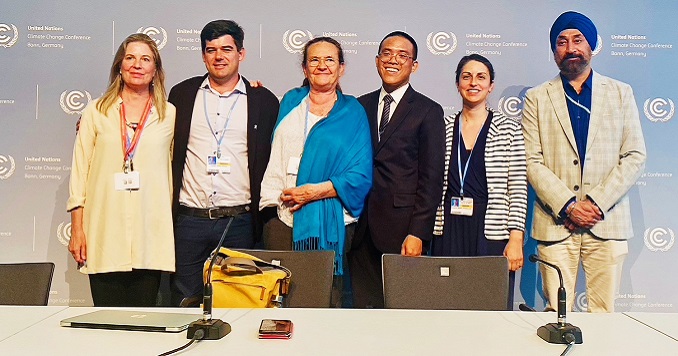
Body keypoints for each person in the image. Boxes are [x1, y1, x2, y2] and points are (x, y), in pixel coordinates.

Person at [522, 11, 646, 312]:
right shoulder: (537, 97)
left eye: (578, 40)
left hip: (606, 221)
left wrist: (594, 203)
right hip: (556, 223)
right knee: (557, 316)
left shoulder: (620, 93)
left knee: (604, 315)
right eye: (562, 42)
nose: (570, 48)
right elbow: (531, 161)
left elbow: (634, 156)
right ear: (555, 52)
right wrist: (568, 205)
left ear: (591, 46)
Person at [168, 20, 279, 306]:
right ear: (203, 55)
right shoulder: (181, 95)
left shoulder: (264, 100)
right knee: (184, 303)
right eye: (211, 50)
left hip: (239, 222)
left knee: (238, 304)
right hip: (188, 221)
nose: (219, 56)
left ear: (241, 54)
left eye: (227, 49)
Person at [259, 37, 372, 307]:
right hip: (282, 215)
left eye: (330, 60)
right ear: (304, 68)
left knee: (323, 297)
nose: (322, 66)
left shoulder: (352, 111)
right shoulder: (289, 102)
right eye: (314, 60)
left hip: (330, 221)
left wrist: (313, 193)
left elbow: (360, 175)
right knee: (278, 299)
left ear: (341, 68)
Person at [67, 33, 175, 307]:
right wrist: (77, 229)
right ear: (119, 66)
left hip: (150, 234)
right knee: (105, 323)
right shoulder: (95, 112)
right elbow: (80, 172)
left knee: (143, 322)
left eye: (145, 59)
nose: (137, 65)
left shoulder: (170, 115)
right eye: (130, 58)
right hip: (104, 232)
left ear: (155, 70)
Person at [349, 31, 445, 308]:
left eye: (403, 55)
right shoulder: (359, 105)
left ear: (414, 65)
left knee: (401, 311)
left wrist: (418, 232)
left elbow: (432, 178)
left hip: (402, 230)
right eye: (387, 53)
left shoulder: (428, 110)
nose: (394, 60)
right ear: (377, 60)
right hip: (358, 228)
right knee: (362, 309)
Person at [432, 54, 527, 308]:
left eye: (481, 77)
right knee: (447, 305)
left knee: (490, 307)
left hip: (491, 231)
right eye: (466, 76)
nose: (473, 83)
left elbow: (517, 187)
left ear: (491, 85)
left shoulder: (509, 129)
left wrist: (516, 238)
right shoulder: (441, 127)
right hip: (447, 229)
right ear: (458, 84)